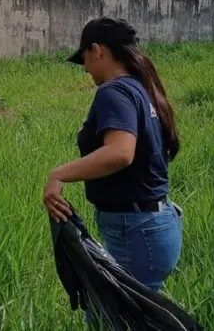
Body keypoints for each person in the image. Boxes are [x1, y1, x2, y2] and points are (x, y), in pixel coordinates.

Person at [43, 16, 184, 294]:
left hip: (135, 229)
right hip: (154, 224)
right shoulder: (143, 89)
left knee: (110, 318)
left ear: (97, 50)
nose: (84, 69)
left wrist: (58, 174)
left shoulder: (114, 91)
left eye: (83, 58)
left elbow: (120, 153)